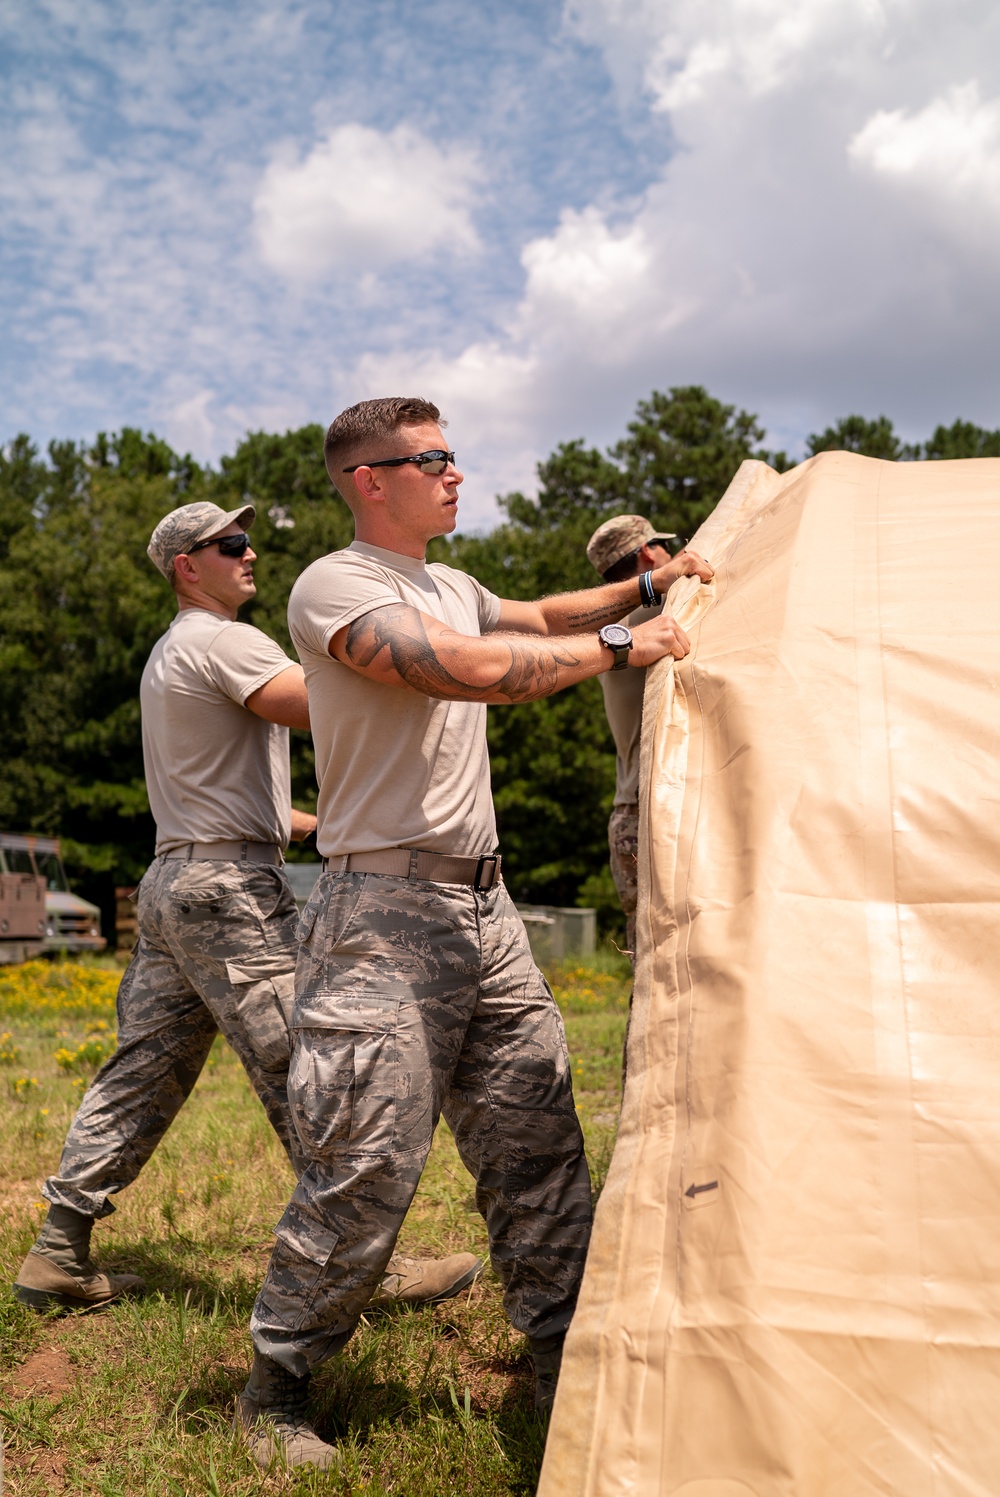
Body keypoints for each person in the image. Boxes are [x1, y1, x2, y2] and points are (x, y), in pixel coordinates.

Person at [235, 397, 714, 1471]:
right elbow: (467, 667)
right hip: (379, 914)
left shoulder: (450, 581)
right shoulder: (337, 586)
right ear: (370, 479)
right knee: (366, 1158)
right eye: (432, 459)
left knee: (536, 1131)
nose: (456, 474)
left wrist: (647, 583)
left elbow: (537, 617)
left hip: (483, 911)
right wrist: (624, 641)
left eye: (453, 455)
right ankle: (276, 1389)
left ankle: (561, 1358)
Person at [13, 500, 479, 1317]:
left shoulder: (172, 652)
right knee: (311, 1068)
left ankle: (58, 1249)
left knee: (141, 1073)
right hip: (229, 897)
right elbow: (325, 698)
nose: (250, 551)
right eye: (230, 544)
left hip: (175, 885)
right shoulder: (228, 640)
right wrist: (412, 648)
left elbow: (225, 797)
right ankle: (369, 1263)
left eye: (247, 539)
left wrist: (315, 823)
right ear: (186, 567)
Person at [585, 515, 688, 960]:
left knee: (651, 964)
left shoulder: (619, 625)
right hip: (653, 812)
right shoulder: (657, 615)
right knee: (671, 962)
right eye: (669, 548)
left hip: (633, 812)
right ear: (649, 554)